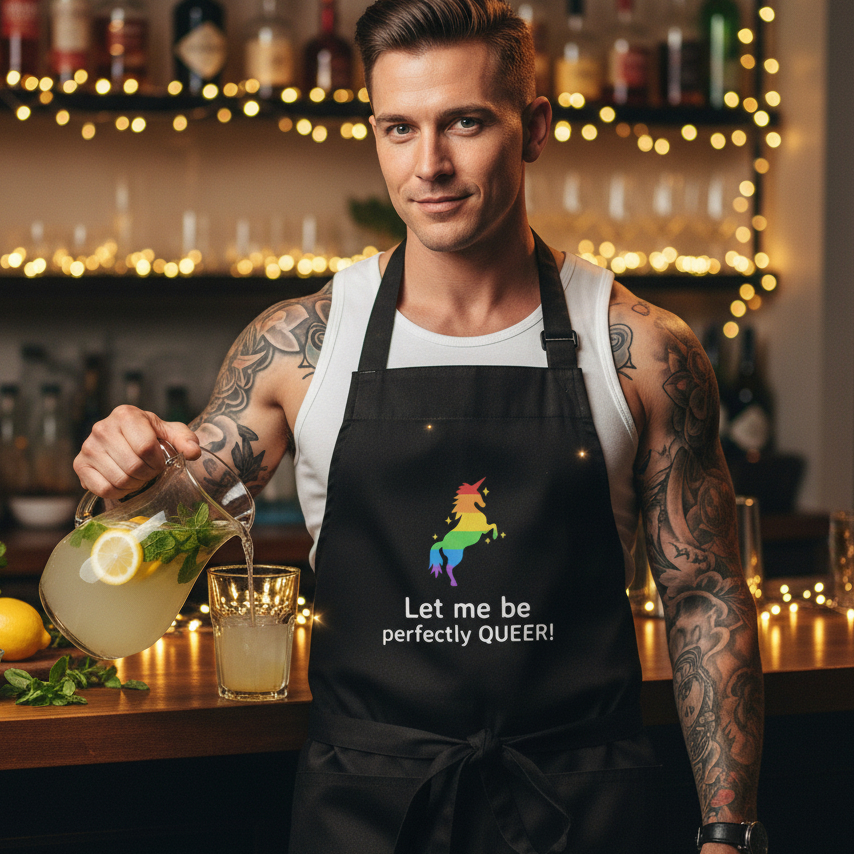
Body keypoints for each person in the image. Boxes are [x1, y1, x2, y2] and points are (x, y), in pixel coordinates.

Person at [73, 1, 765, 852]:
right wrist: (130, 467)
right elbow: (154, 536)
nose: (428, 164)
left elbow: (704, 597)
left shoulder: (644, 350)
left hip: (581, 807)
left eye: (465, 123)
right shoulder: (298, 345)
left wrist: (728, 834)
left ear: (535, 127)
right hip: (365, 809)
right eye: (399, 128)